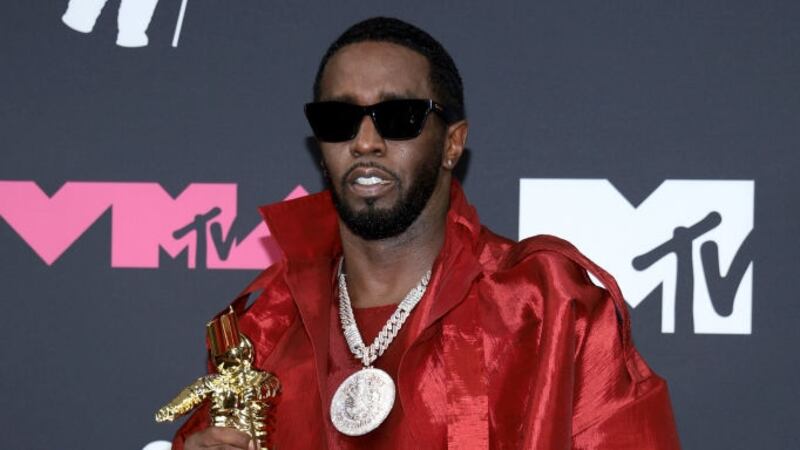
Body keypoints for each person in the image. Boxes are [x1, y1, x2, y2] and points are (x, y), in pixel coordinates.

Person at [174, 17, 681, 449]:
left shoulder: (549, 309)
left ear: (452, 144)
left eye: (398, 117)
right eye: (339, 119)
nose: (365, 142)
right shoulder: (264, 332)